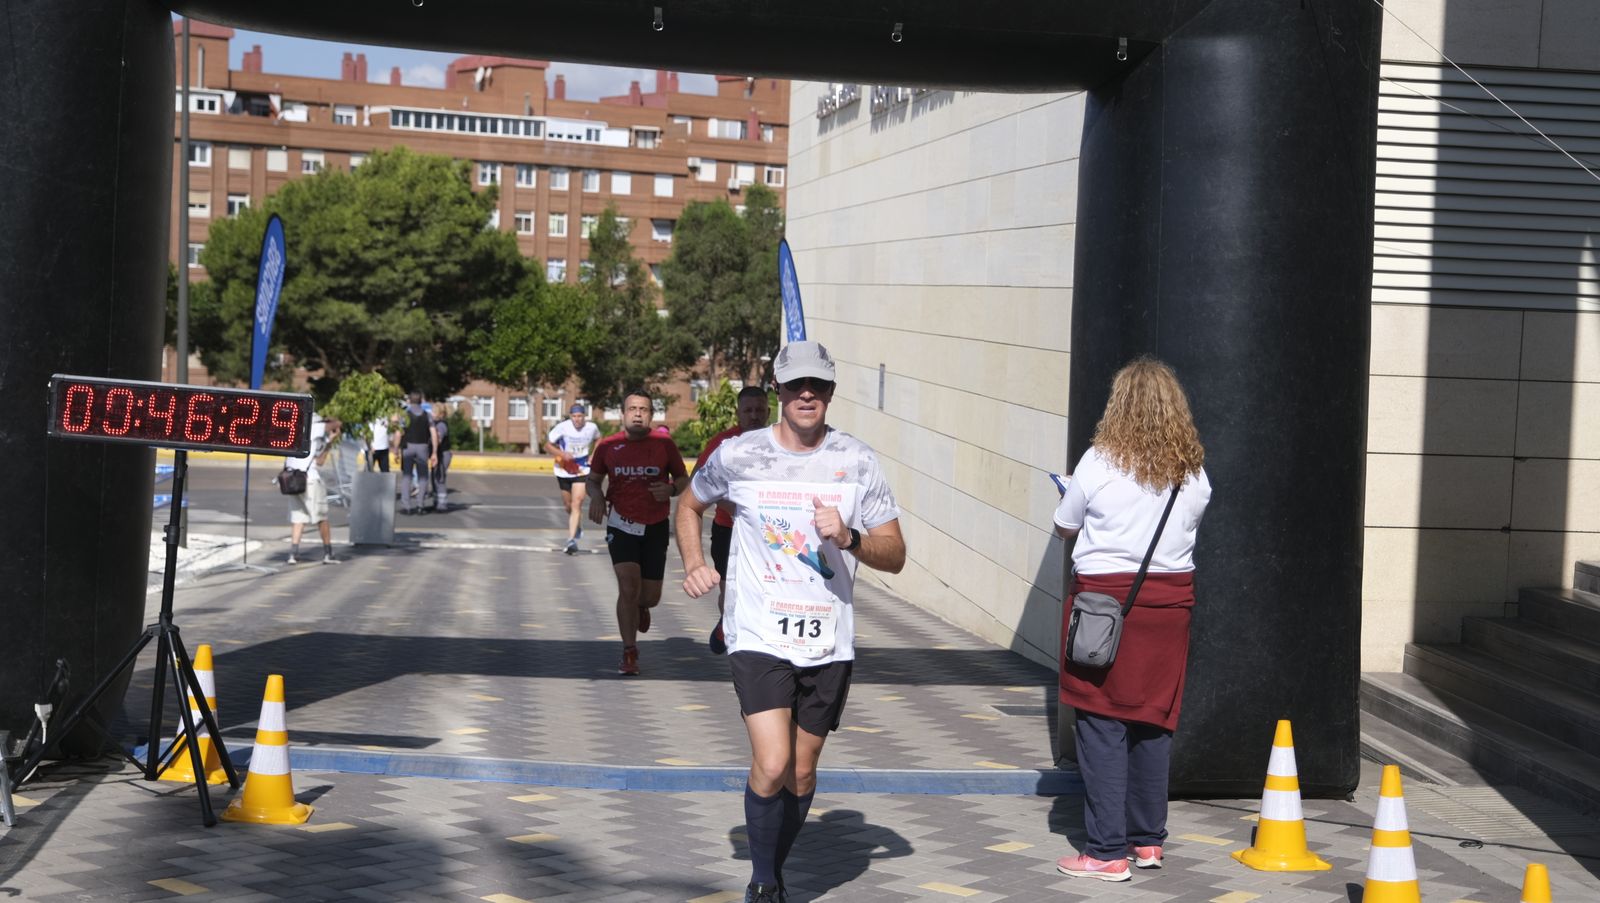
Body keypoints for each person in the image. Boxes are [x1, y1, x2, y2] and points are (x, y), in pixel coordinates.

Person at [677, 341, 905, 903]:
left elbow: (896, 554)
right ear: (778, 389)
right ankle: (762, 882)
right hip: (758, 631)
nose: (807, 394)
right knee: (773, 760)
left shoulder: (857, 461)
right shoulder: (739, 455)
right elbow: (688, 504)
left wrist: (850, 537)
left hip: (828, 638)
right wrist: (695, 562)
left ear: (831, 392)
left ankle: (772, 873)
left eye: (818, 385)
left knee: (801, 772)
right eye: (797, 385)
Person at [1050, 357, 1211, 883]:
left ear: (1118, 406)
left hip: (1104, 607)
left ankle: (1105, 851)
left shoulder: (1098, 463)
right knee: (1153, 721)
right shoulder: (1192, 472)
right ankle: (1147, 840)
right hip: (1170, 611)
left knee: (1101, 722)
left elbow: (1065, 524)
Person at [587, 391, 690, 676]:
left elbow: (683, 479)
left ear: (651, 415)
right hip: (621, 524)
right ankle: (629, 650)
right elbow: (593, 481)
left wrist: (671, 489)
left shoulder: (664, 444)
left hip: (655, 524)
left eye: (643, 409)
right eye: (632, 408)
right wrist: (596, 497)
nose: (637, 414)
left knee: (650, 596)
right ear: (623, 414)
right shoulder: (608, 446)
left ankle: (641, 607)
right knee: (628, 586)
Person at [693, 386, 771, 654]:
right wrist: (735, 509)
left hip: (767, 534)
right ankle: (728, 625)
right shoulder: (723, 443)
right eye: (748, 410)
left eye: (759, 410)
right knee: (731, 596)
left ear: (768, 412)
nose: (754, 416)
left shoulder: (780, 442)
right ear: (738, 413)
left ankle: (755, 642)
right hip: (728, 530)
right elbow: (697, 482)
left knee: (762, 592)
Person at [284, 412, 340, 565]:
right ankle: (328, 553)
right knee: (321, 517)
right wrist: (330, 420)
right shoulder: (313, 428)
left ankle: (293, 554)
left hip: (293, 480)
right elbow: (337, 424)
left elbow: (319, 461)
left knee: (298, 517)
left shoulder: (293, 431)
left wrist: (329, 441)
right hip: (310, 481)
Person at [547, 403, 601, 554]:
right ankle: (577, 525)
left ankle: (571, 541)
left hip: (582, 469)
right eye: (574, 416)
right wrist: (562, 454)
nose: (577, 419)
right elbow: (548, 446)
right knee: (568, 506)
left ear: (584, 416)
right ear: (570, 417)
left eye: (580, 416)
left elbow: (599, 439)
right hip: (564, 469)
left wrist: (594, 454)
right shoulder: (562, 427)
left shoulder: (592, 427)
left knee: (577, 503)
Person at [398, 393, 438, 515]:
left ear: (410, 401)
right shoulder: (427, 415)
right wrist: (434, 452)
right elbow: (433, 433)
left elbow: (399, 433)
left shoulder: (405, 415)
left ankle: (406, 506)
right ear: (421, 401)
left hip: (408, 446)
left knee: (407, 476)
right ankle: (420, 505)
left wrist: (395, 449)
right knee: (423, 477)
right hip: (423, 446)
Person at [432, 407, 453, 512]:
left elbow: (438, 439)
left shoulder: (441, 425)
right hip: (440, 454)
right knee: (435, 477)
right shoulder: (437, 424)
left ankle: (442, 505)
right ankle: (437, 502)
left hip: (442, 454)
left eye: (434, 411)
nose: (431, 413)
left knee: (439, 478)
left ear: (439, 413)